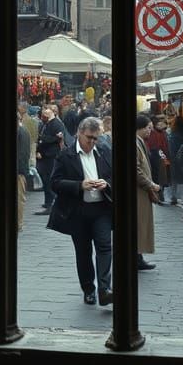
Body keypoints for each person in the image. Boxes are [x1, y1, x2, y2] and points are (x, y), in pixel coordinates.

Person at [46, 116, 115, 306]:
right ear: (79, 133)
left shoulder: (105, 151)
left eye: (95, 138)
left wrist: (106, 183)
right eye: (89, 138)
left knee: (104, 246)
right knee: (83, 252)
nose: (92, 142)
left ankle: (104, 289)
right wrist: (79, 185)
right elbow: (55, 183)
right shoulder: (65, 155)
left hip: (101, 209)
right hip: (78, 211)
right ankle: (88, 289)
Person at [135, 113, 160, 271]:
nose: (150, 131)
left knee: (141, 225)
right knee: (139, 224)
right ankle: (137, 257)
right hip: (139, 192)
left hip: (142, 191)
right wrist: (149, 184)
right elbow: (136, 169)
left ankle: (138, 256)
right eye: (148, 128)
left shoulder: (139, 142)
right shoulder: (135, 143)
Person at [33, 103, 67, 214]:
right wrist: (39, 148)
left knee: (49, 180)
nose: (44, 114)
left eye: (46, 111)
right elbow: (41, 138)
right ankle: (48, 201)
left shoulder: (57, 124)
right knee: (45, 180)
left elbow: (55, 139)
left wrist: (43, 139)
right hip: (43, 156)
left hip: (51, 156)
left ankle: (51, 203)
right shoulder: (45, 124)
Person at [146, 112, 171, 205]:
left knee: (162, 176)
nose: (162, 125)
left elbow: (165, 145)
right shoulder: (154, 133)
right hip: (156, 155)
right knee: (158, 176)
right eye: (160, 124)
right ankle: (158, 195)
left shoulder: (161, 133)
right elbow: (153, 144)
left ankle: (160, 195)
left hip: (161, 155)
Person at [166, 114, 183, 206]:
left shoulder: (172, 135)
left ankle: (173, 197)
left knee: (174, 178)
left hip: (174, 159)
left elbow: (170, 148)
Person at [16, 110, 32, 232]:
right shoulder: (22, 131)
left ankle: (18, 223)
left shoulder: (21, 132)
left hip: (18, 171)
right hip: (19, 170)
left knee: (19, 198)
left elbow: (22, 154)